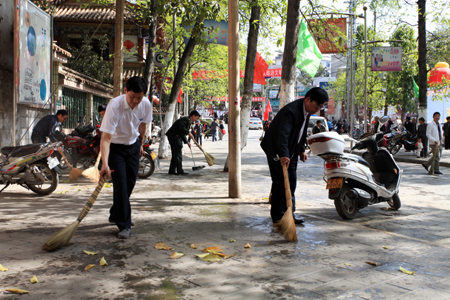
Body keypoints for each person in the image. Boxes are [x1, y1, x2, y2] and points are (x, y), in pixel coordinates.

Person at [261, 87, 329, 225]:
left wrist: (301, 150)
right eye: (316, 106)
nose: (317, 110)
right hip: (276, 150)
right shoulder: (290, 112)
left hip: (290, 150)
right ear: (308, 99)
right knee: (280, 182)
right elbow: (283, 135)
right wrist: (283, 155)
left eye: (320, 108)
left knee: (291, 181)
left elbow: (301, 132)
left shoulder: (307, 111)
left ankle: (289, 214)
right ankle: (278, 217)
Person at [99, 76, 152, 239]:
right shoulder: (115, 106)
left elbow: (143, 124)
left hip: (133, 145)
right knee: (121, 184)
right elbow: (106, 139)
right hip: (115, 148)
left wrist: (141, 144)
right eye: (132, 97)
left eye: (139, 97)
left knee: (130, 183)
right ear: (125, 91)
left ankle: (116, 213)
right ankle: (124, 225)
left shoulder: (146, 104)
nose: (135, 101)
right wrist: (105, 164)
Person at [166, 110, 200, 175]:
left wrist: (187, 142)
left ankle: (172, 171)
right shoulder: (185, 119)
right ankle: (180, 170)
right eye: (196, 117)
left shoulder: (188, 121)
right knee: (178, 154)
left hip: (177, 136)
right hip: (174, 137)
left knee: (175, 155)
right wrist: (188, 133)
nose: (196, 119)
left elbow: (182, 133)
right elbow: (182, 128)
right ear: (193, 116)